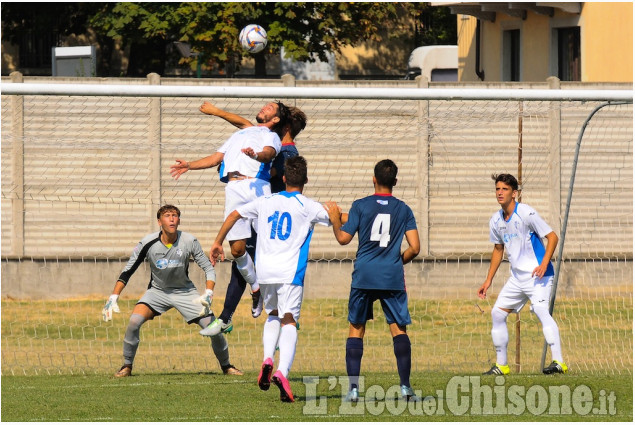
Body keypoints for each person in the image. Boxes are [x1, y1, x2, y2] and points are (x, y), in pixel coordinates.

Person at [205, 156, 330, 402]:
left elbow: (234, 214)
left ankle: (267, 358)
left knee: (272, 314)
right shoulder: (308, 205)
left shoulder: (264, 201)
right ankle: (282, 372)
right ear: (306, 179)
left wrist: (218, 241)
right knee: (290, 320)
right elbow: (340, 219)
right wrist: (346, 217)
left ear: (283, 179)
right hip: (290, 272)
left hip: (265, 271)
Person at [170, 101, 290, 319]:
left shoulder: (270, 135)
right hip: (234, 189)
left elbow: (268, 154)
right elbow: (217, 158)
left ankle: (282, 304)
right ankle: (256, 289)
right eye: (264, 105)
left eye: (270, 108)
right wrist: (190, 165)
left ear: (276, 120)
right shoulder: (240, 134)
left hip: (257, 187)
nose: (264, 108)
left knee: (268, 246)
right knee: (237, 250)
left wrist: (255, 156)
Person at [198, 102, 307, 336]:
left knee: (261, 267)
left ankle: (276, 319)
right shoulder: (265, 137)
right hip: (260, 206)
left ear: (282, 124)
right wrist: (217, 112)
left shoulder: (286, 152)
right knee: (241, 259)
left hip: (269, 212)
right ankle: (243, 316)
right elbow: (243, 124)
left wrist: (250, 163)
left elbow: (272, 171)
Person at [101, 204, 242, 377]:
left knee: (214, 328)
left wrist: (208, 293)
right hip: (157, 292)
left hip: (185, 292)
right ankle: (127, 366)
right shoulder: (147, 243)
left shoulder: (189, 241)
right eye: (167, 215)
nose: (172, 219)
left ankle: (227, 366)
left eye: (175, 215)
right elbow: (128, 270)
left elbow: (209, 268)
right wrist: (114, 296)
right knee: (133, 322)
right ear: (159, 221)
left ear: (179, 220)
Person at [324, 159, 421, 402]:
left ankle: (354, 390)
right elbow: (415, 248)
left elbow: (344, 239)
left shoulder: (360, 206)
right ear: (395, 182)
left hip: (364, 275)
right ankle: (406, 388)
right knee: (398, 329)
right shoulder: (404, 209)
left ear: (373, 179)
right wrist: (397, 260)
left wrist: (336, 219)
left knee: (356, 328)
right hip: (391, 277)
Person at [477, 173, 567, 375]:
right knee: (497, 313)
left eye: (505, 189)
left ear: (514, 193)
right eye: (498, 189)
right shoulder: (495, 220)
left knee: (541, 311)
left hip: (539, 276)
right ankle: (502, 366)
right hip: (517, 279)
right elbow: (498, 250)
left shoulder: (526, 213)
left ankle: (559, 362)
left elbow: (552, 237)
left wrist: (544, 264)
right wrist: (488, 280)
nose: (500, 193)